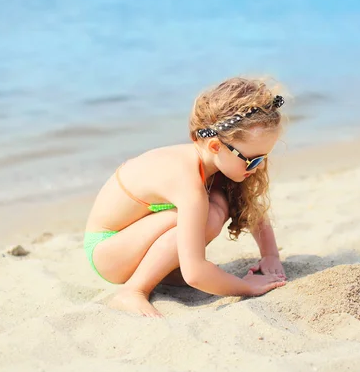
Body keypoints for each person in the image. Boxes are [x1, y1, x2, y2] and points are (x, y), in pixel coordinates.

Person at [83, 77, 288, 317]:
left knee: (220, 201)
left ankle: (165, 273)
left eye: (264, 157)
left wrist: (270, 255)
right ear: (214, 147)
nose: (259, 166)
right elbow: (195, 274)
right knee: (209, 214)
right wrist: (246, 287)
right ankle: (133, 290)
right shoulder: (187, 182)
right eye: (253, 159)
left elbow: (251, 207)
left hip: (136, 242)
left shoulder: (220, 161)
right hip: (109, 251)